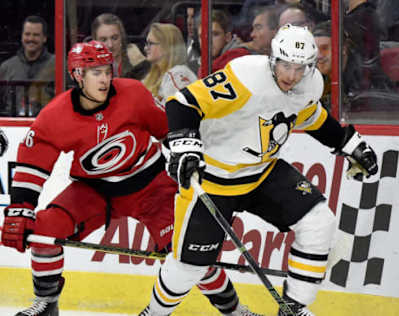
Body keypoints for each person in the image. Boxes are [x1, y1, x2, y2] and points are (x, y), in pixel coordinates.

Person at [0, 41, 259, 316]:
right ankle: (47, 304)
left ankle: (234, 311)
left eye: (107, 70)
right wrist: (21, 208)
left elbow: (170, 130)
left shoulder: (133, 94)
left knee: (190, 254)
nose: (104, 78)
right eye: (95, 72)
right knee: (44, 231)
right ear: (77, 75)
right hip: (94, 191)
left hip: (152, 187)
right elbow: (33, 163)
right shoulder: (55, 115)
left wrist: (186, 153)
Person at [142, 24, 378, 316]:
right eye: (286, 65)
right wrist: (184, 145)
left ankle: (293, 308)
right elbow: (183, 103)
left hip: (263, 173)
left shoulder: (310, 83)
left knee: (319, 223)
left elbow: (310, 115)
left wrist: (348, 142)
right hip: (214, 180)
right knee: (189, 267)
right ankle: (153, 313)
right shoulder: (245, 77)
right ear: (273, 59)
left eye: (300, 68)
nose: (291, 76)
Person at [0, 15, 55, 117]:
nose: (31, 38)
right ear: (21, 37)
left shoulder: (58, 65)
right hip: (12, 129)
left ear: (44, 38)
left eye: (36, 35)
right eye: (27, 34)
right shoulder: (6, 67)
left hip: (48, 127)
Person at [91, 13, 150, 80]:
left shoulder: (136, 59)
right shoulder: (88, 68)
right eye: (103, 40)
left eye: (114, 38)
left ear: (121, 37)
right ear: (95, 42)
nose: (110, 45)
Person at [193, 9, 251, 75]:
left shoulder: (238, 59)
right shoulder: (200, 64)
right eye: (202, 36)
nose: (208, 41)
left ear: (227, 37)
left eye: (215, 34)